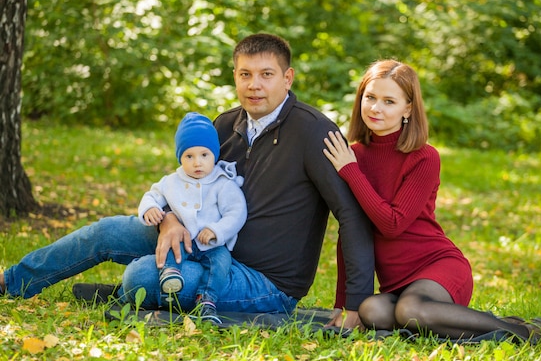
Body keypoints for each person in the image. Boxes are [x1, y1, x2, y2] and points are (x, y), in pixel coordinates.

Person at [0, 33, 374, 328]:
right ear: (235, 76)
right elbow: (184, 183)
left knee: (143, 275)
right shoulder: (225, 125)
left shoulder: (314, 132)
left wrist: (354, 303)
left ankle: (144, 290)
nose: (254, 85)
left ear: (287, 77)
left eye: (266, 75)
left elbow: (351, 215)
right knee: (106, 232)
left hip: (264, 282)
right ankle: (11, 282)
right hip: (200, 242)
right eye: (245, 74)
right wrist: (170, 220)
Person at [323, 59, 541, 343]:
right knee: (371, 311)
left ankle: (529, 332)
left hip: (436, 267)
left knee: (411, 311)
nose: (376, 108)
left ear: (408, 108)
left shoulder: (423, 157)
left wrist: (351, 172)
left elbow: (392, 224)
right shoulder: (351, 154)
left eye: (389, 101)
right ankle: (495, 323)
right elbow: (351, 229)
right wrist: (344, 304)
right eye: (370, 97)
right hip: (396, 283)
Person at [138, 112, 247, 323]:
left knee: (222, 262)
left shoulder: (223, 183)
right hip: (183, 240)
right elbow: (152, 195)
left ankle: (206, 298)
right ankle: (170, 273)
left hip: (210, 244)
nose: (197, 163)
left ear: (214, 155)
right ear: (180, 157)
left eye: (204, 155)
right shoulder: (171, 181)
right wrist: (150, 208)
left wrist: (217, 230)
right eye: (189, 156)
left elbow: (237, 212)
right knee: (171, 245)